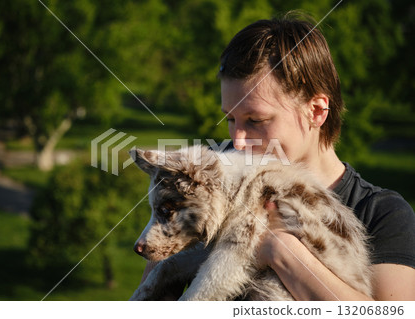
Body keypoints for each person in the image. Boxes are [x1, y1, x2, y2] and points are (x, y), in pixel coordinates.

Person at [136, 15, 415, 300]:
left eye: (256, 120)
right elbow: (154, 293)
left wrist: (281, 251)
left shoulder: (382, 214)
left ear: (316, 111)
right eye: (231, 119)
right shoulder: (212, 182)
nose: (238, 141)